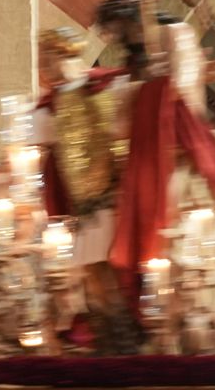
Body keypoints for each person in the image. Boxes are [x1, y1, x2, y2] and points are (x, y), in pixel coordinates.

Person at [83, 0, 215, 329]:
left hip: (185, 161)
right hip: (147, 165)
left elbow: (182, 89)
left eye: (121, 29)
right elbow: (117, 126)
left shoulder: (175, 34)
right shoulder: (135, 65)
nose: (120, 39)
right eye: (114, 34)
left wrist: (154, 82)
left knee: (185, 257)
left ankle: (196, 318)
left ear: (134, 18)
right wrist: (135, 87)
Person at [31, 26, 138, 353]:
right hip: (83, 209)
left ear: (65, 52)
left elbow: (126, 130)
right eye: (40, 61)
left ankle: (125, 342)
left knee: (115, 280)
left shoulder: (107, 85)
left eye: (46, 58)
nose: (42, 68)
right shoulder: (48, 108)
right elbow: (27, 152)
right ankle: (110, 343)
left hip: (114, 200)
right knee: (94, 284)